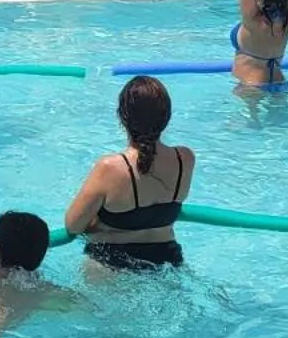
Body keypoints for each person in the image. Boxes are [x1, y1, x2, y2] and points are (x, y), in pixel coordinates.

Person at [67, 76, 194, 272]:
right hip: (168, 261)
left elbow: (73, 225)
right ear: (166, 117)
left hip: (112, 265)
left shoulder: (109, 168)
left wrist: (99, 222)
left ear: (122, 118)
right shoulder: (184, 158)